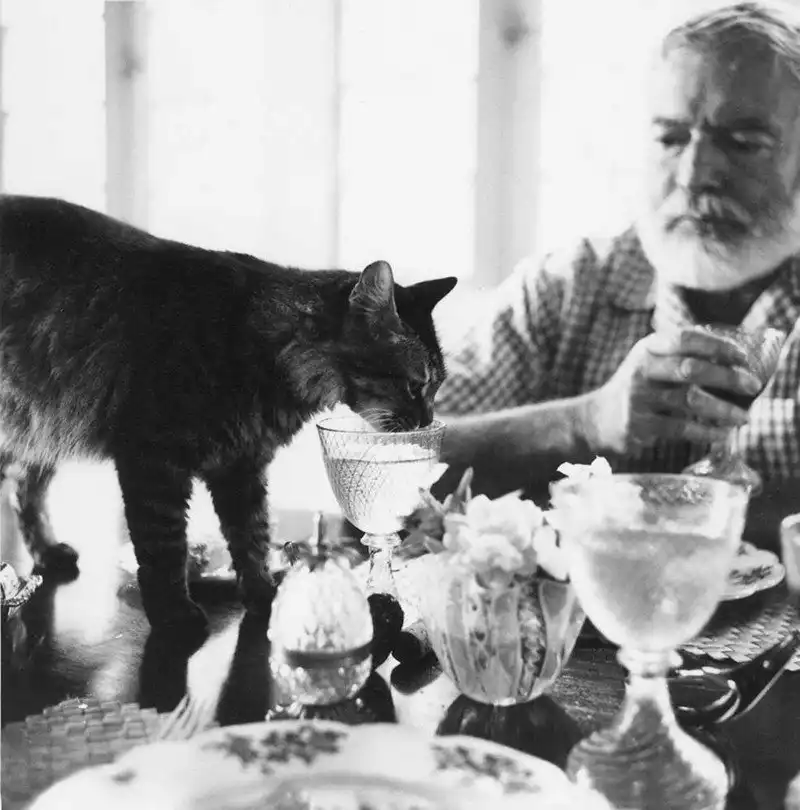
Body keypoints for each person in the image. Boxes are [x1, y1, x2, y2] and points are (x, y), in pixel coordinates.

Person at [435, 1, 800, 546]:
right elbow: (379, 470)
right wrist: (583, 423)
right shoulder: (564, 292)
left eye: (744, 143)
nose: (695, 174)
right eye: (670, 138)